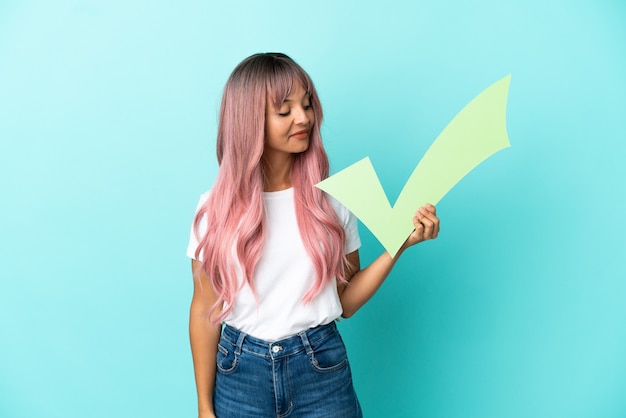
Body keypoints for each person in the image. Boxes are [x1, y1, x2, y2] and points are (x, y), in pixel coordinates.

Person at [187, 52, 440, 418]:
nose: (303, 117)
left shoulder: (334, 203)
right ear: (248, 120)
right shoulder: (214, 210)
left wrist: (399, 244)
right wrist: (203, 406)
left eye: (307, 104)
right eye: (285, 110)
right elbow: (202, 310)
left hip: (320, 370)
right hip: (239, 374)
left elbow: (346, 301)